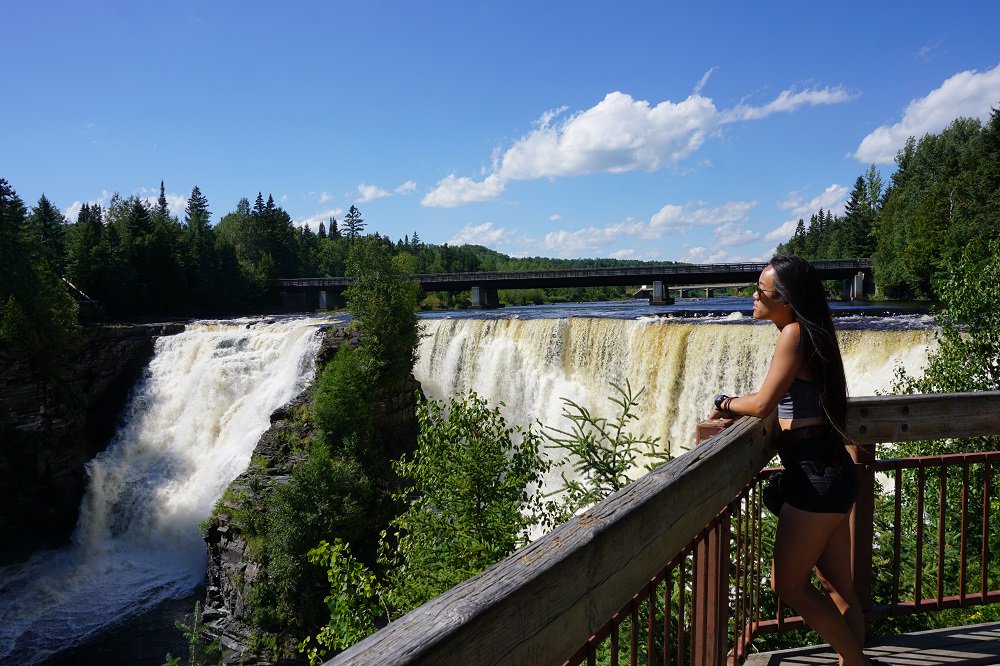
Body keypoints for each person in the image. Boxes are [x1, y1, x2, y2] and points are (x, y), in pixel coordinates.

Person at [707, 254, 882, 666]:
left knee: (788, 586)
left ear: (785, 300)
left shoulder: (794, 334)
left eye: (760, 291)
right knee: (837, 585)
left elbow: (765, 402)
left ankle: (856, 662)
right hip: (834, 471)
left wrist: (724, 402)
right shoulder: (812, 332)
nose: (753, 296)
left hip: (813, 477)